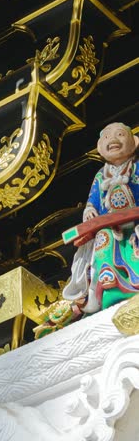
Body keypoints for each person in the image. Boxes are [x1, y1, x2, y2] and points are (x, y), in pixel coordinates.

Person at [63, 122, 139, 314]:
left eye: (120, 135)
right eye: (106, 137)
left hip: (135, 224)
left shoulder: (137, 168)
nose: (113, 140)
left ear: (134, 143)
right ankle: (99, 292)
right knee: (102, 239)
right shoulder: (100, 175)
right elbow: (93, 200)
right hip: (108, 226)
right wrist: (89, 209)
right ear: (99, 147)